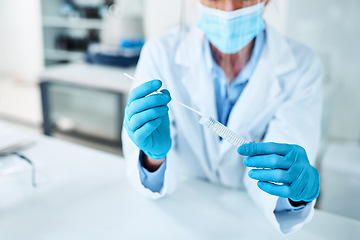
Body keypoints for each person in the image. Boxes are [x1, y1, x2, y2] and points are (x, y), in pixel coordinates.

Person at [122, 0, 322, 234]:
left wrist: (293, 193)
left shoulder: (302, 66)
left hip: (251, 227)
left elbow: (281, 176)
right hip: (179, 220)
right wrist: (152, 158)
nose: (228, 8)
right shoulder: (160, 53)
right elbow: (152, 175)